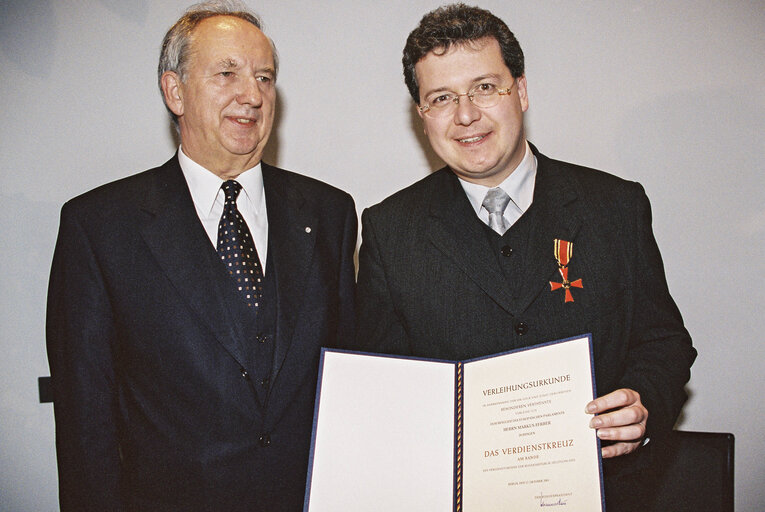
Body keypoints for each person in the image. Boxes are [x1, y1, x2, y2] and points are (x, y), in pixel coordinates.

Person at [354, 4, 695, 509]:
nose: (466, 114)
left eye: (485, 87)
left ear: (522, 90)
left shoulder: (615, 207)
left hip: (606, 493)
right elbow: (381, 384)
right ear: (421, 114)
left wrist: (642, 405)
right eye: (442, 97)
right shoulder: (389, 230)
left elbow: (664, 341)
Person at [45, 2, 356, 510]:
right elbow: (85, 426)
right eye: (227, 73)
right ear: (174, 91)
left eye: (264, 76)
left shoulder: (330, 213)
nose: (251, 95)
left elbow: (350, 386)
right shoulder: (100, 228)